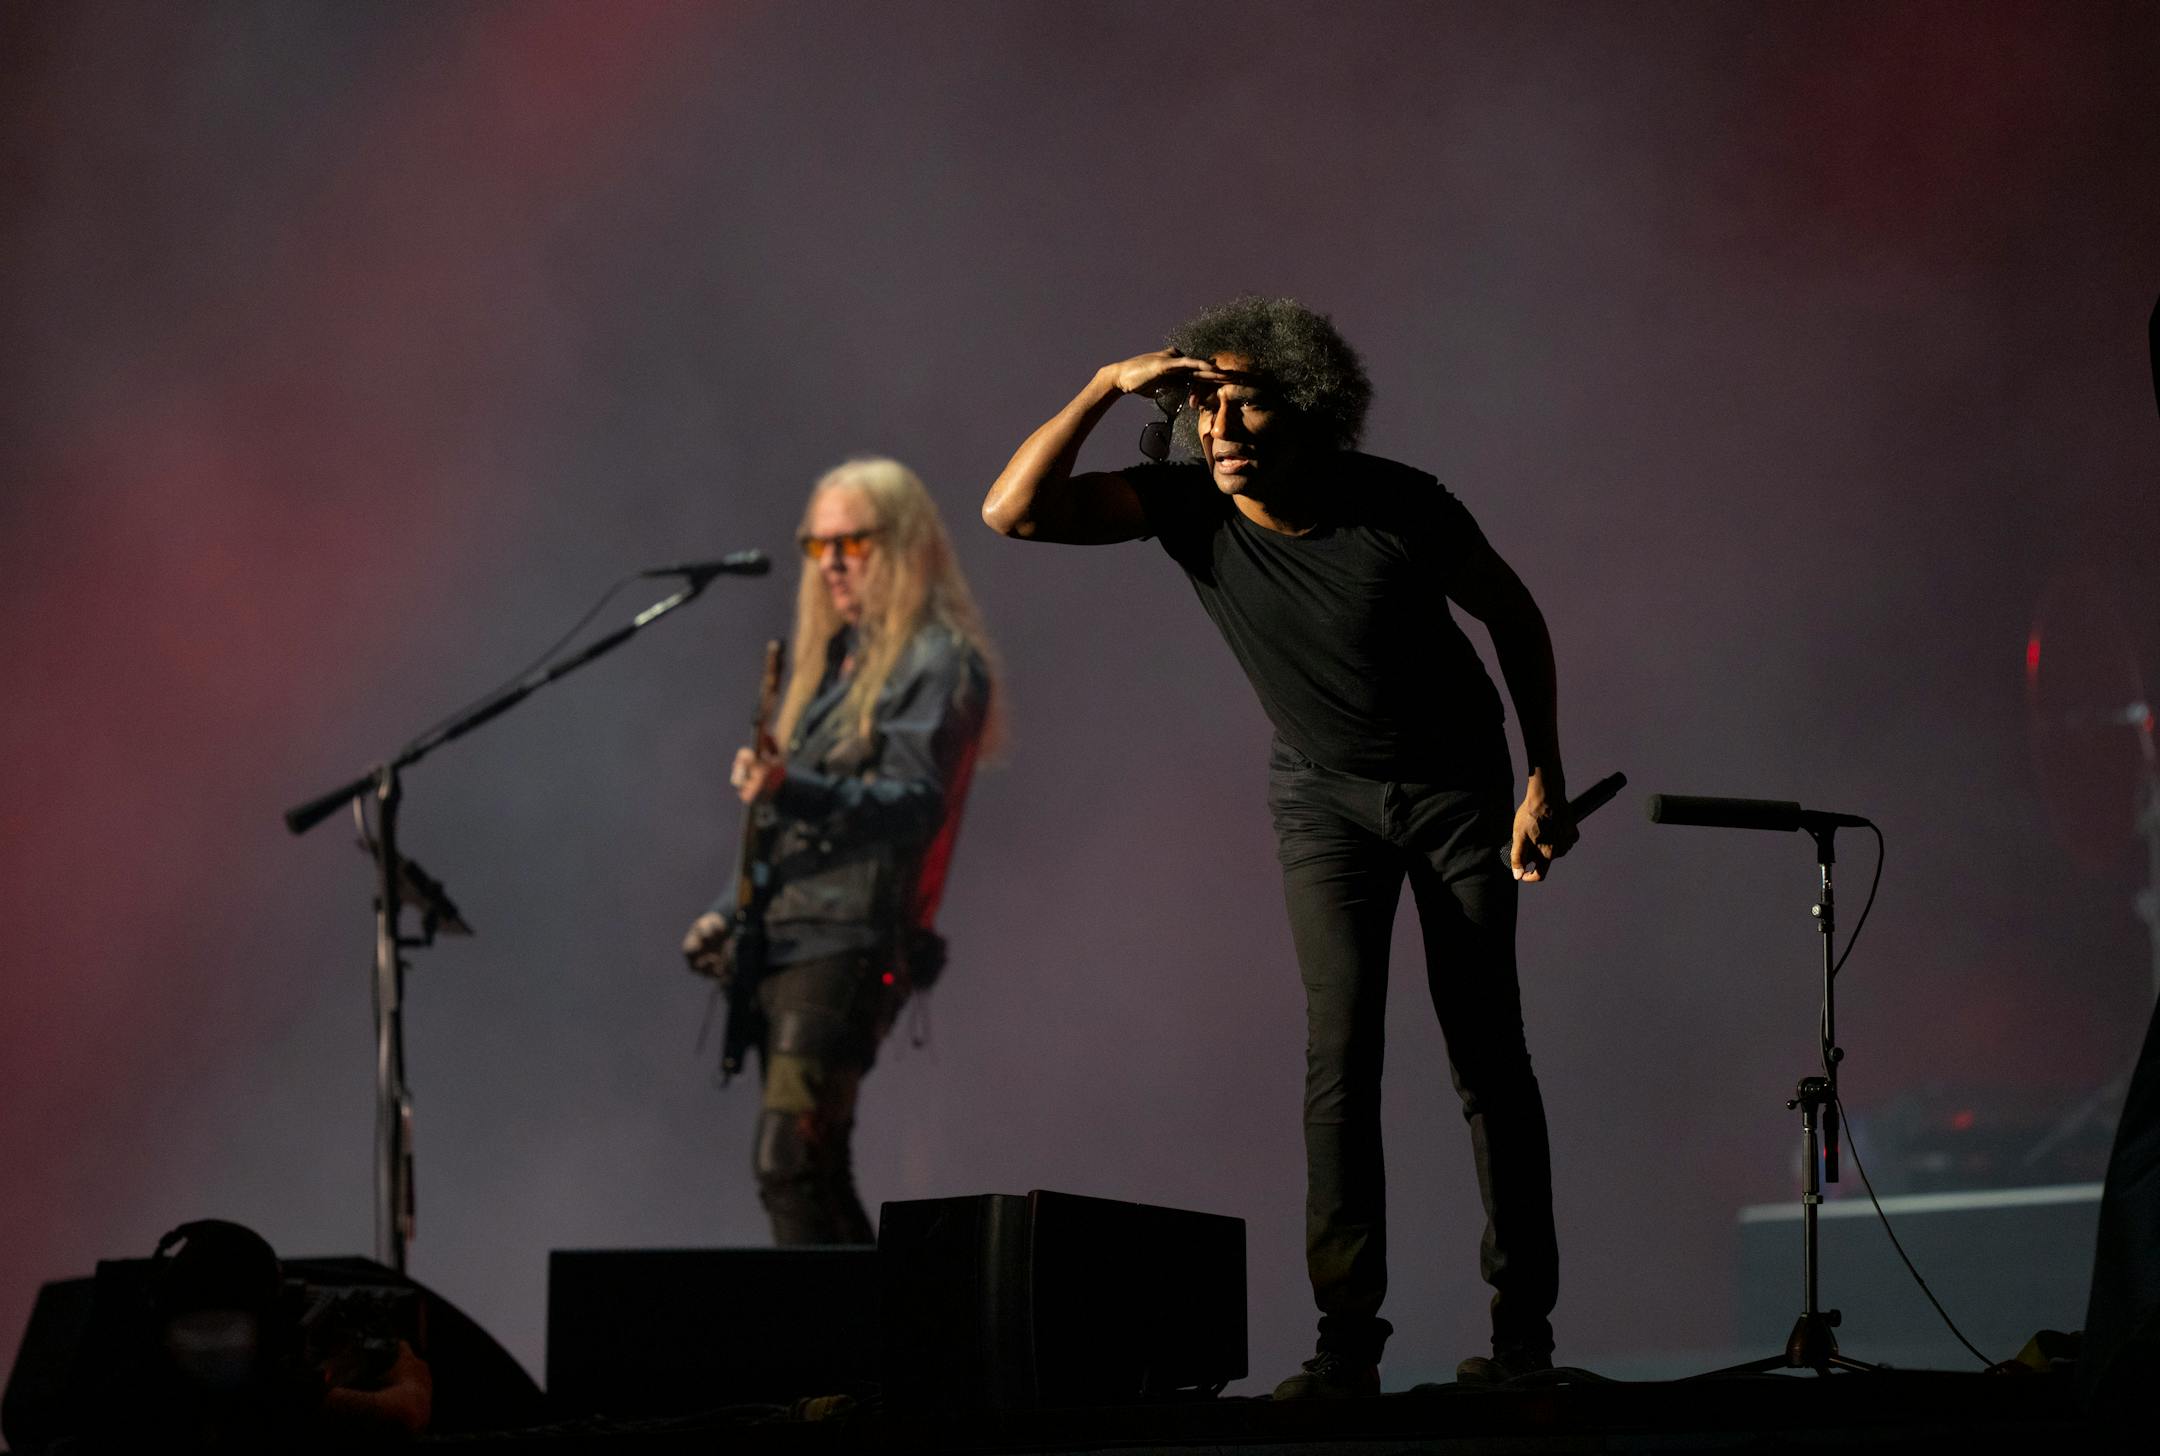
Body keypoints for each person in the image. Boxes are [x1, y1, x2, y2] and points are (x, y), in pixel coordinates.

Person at [982, 297, 1575, 1397]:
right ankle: (1347, 1344)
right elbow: (1010, 511)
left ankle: (1523, 1341)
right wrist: (1108, 385)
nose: (1219, 431)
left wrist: (1543, 776)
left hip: (1455, 792)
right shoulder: (1186, 507)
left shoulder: (1398, 506)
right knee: (1338, 1055)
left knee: (1486, 1053)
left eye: (1245, 410)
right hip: (1322, 798)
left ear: (1310, 418)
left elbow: (1516, 615)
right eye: (1204, 409)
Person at [684, 457, 997, 1246]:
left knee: (790, 1161)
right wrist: (729, 912)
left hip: (848, 943)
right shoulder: (838, 667)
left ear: (901, 545)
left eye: (849, 544)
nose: (828, 565)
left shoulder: (935, 661)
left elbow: (915, 804)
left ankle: (847, 1365)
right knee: (812, 1169)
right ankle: (867, 1359)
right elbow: (781, 826)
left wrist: (789, 787)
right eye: (815, 546)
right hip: (794, 941)